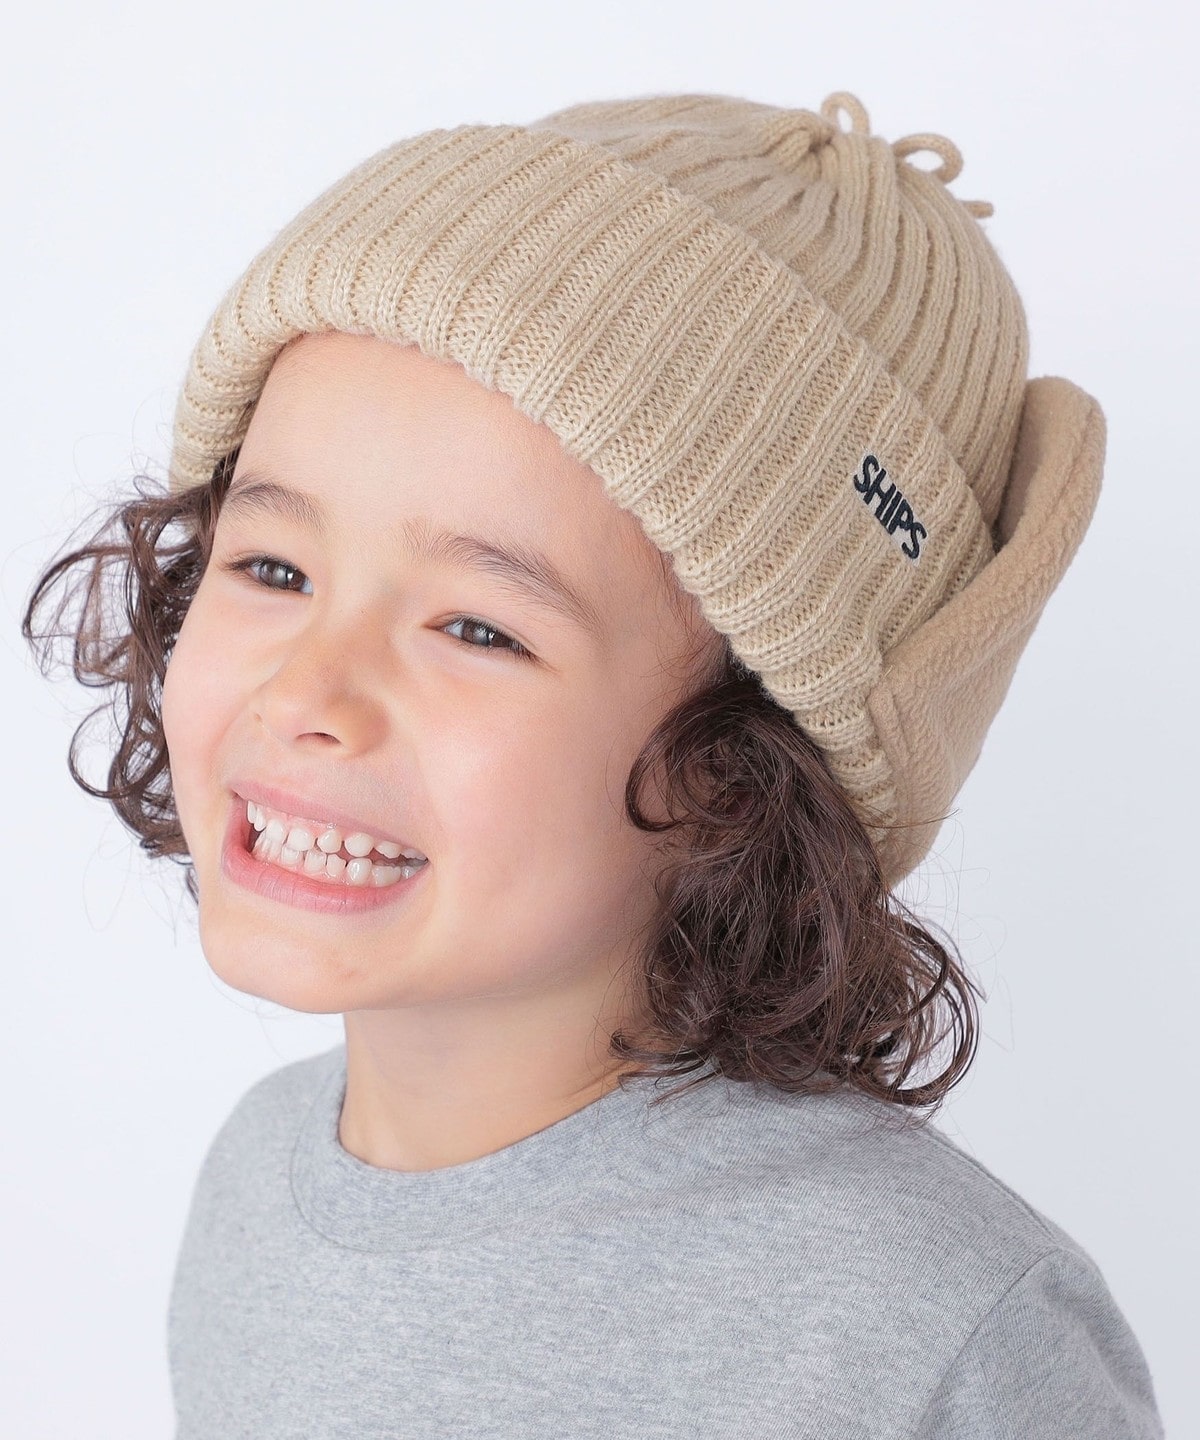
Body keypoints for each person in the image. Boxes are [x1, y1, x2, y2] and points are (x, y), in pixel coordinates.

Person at [25, 89, 1165, 1437]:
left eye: (477, 630)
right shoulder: (254, 1188)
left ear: (742, 775)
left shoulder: (930, 1331)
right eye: (272, 568)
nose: (308, 694)